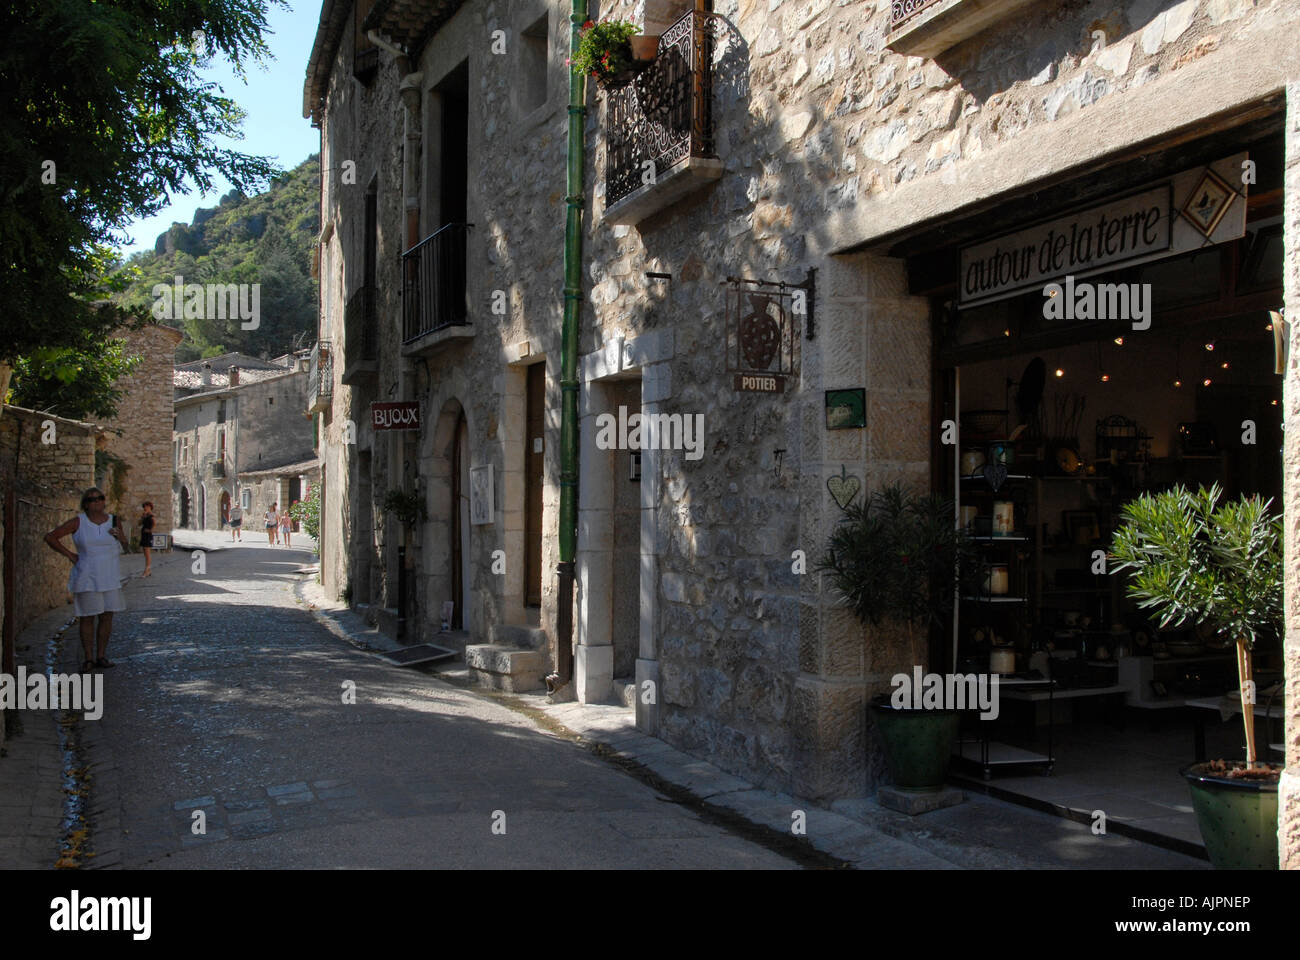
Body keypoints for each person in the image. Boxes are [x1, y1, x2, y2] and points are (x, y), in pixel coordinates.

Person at [44, 487, 127, 671]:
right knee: (87, 617)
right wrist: (70, 555)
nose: (96, 502)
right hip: (88, 576)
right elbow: (51, 537)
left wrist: (121, 537)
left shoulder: (114, 520)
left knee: (107, 617)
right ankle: (88, 658)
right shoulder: (78, 522)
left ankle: (101, 655)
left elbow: (125, 545)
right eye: (91, 499)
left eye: (100, 498)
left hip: (110, 576)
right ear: (85, 504)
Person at [139, 501, 155, 577]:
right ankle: (148, 570)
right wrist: (142, 517)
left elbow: (153, 526)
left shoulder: (152, 516)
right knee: (145, 553)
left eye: (146, 506)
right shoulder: (144, 515)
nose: (145, 508)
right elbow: (139, 523)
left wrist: (149, 530)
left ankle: (146, 570)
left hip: (148, 535)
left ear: (150, 507)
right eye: (144, 507)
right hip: (143, 535)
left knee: (148, 554)